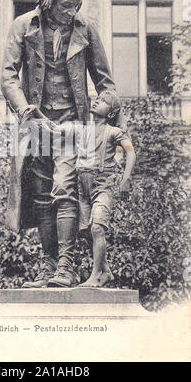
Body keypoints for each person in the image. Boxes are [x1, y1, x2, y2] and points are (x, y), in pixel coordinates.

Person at [1, 0, 126, 288]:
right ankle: (48, 267)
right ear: (49, 1)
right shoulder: (22, 27)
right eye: (66, 6)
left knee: (64, 189)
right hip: (39, 125)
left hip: (74, 125)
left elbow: (107, 85)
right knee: (43, 196)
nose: (71, 13)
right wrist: (27, 111)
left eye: (76, 6)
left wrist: (105, 108)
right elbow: (7, 78)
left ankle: (66, 267)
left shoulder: (86, 30)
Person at [76, 90, 136, 287]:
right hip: (82, 185)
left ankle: (96, 275)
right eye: (97, 98)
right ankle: (106, 270)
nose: (96, 101)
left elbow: (131, 153)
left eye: (102, 101)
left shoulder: (114, 132)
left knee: (97, 227)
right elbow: (55, 130)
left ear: (110, 113)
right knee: (86, 231)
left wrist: (125, 179)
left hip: (103, 184)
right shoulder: (84, 130)